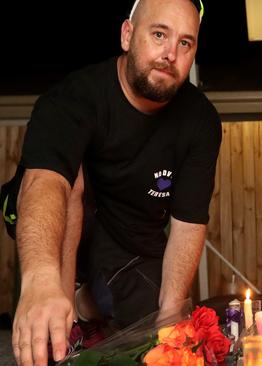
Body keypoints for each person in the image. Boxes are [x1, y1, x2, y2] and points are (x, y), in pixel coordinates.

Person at [8, 0, 221, 365]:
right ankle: (64, 310)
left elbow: (187, 226)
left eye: (185, 43)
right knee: (68, 177)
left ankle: (86, 304)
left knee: (151, 329)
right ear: (127, 35)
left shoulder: (200, 121)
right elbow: (44, 181)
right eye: (159, 35)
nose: (170, 53)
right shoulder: (72, 98)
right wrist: (40, 281)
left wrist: (170, 319)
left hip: (130, 235)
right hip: (61, 212)